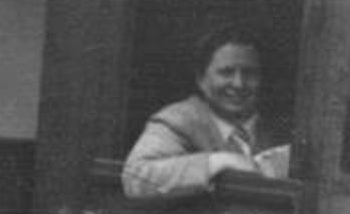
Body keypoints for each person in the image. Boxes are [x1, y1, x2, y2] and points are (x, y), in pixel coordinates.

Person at [122, 26, 290, 198]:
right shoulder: (179, 121)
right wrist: (218, 162)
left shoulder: (281, 128)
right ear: (201, 79)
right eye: (226, 72)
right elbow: (136, 176)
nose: (239, 83)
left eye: (249, 73)